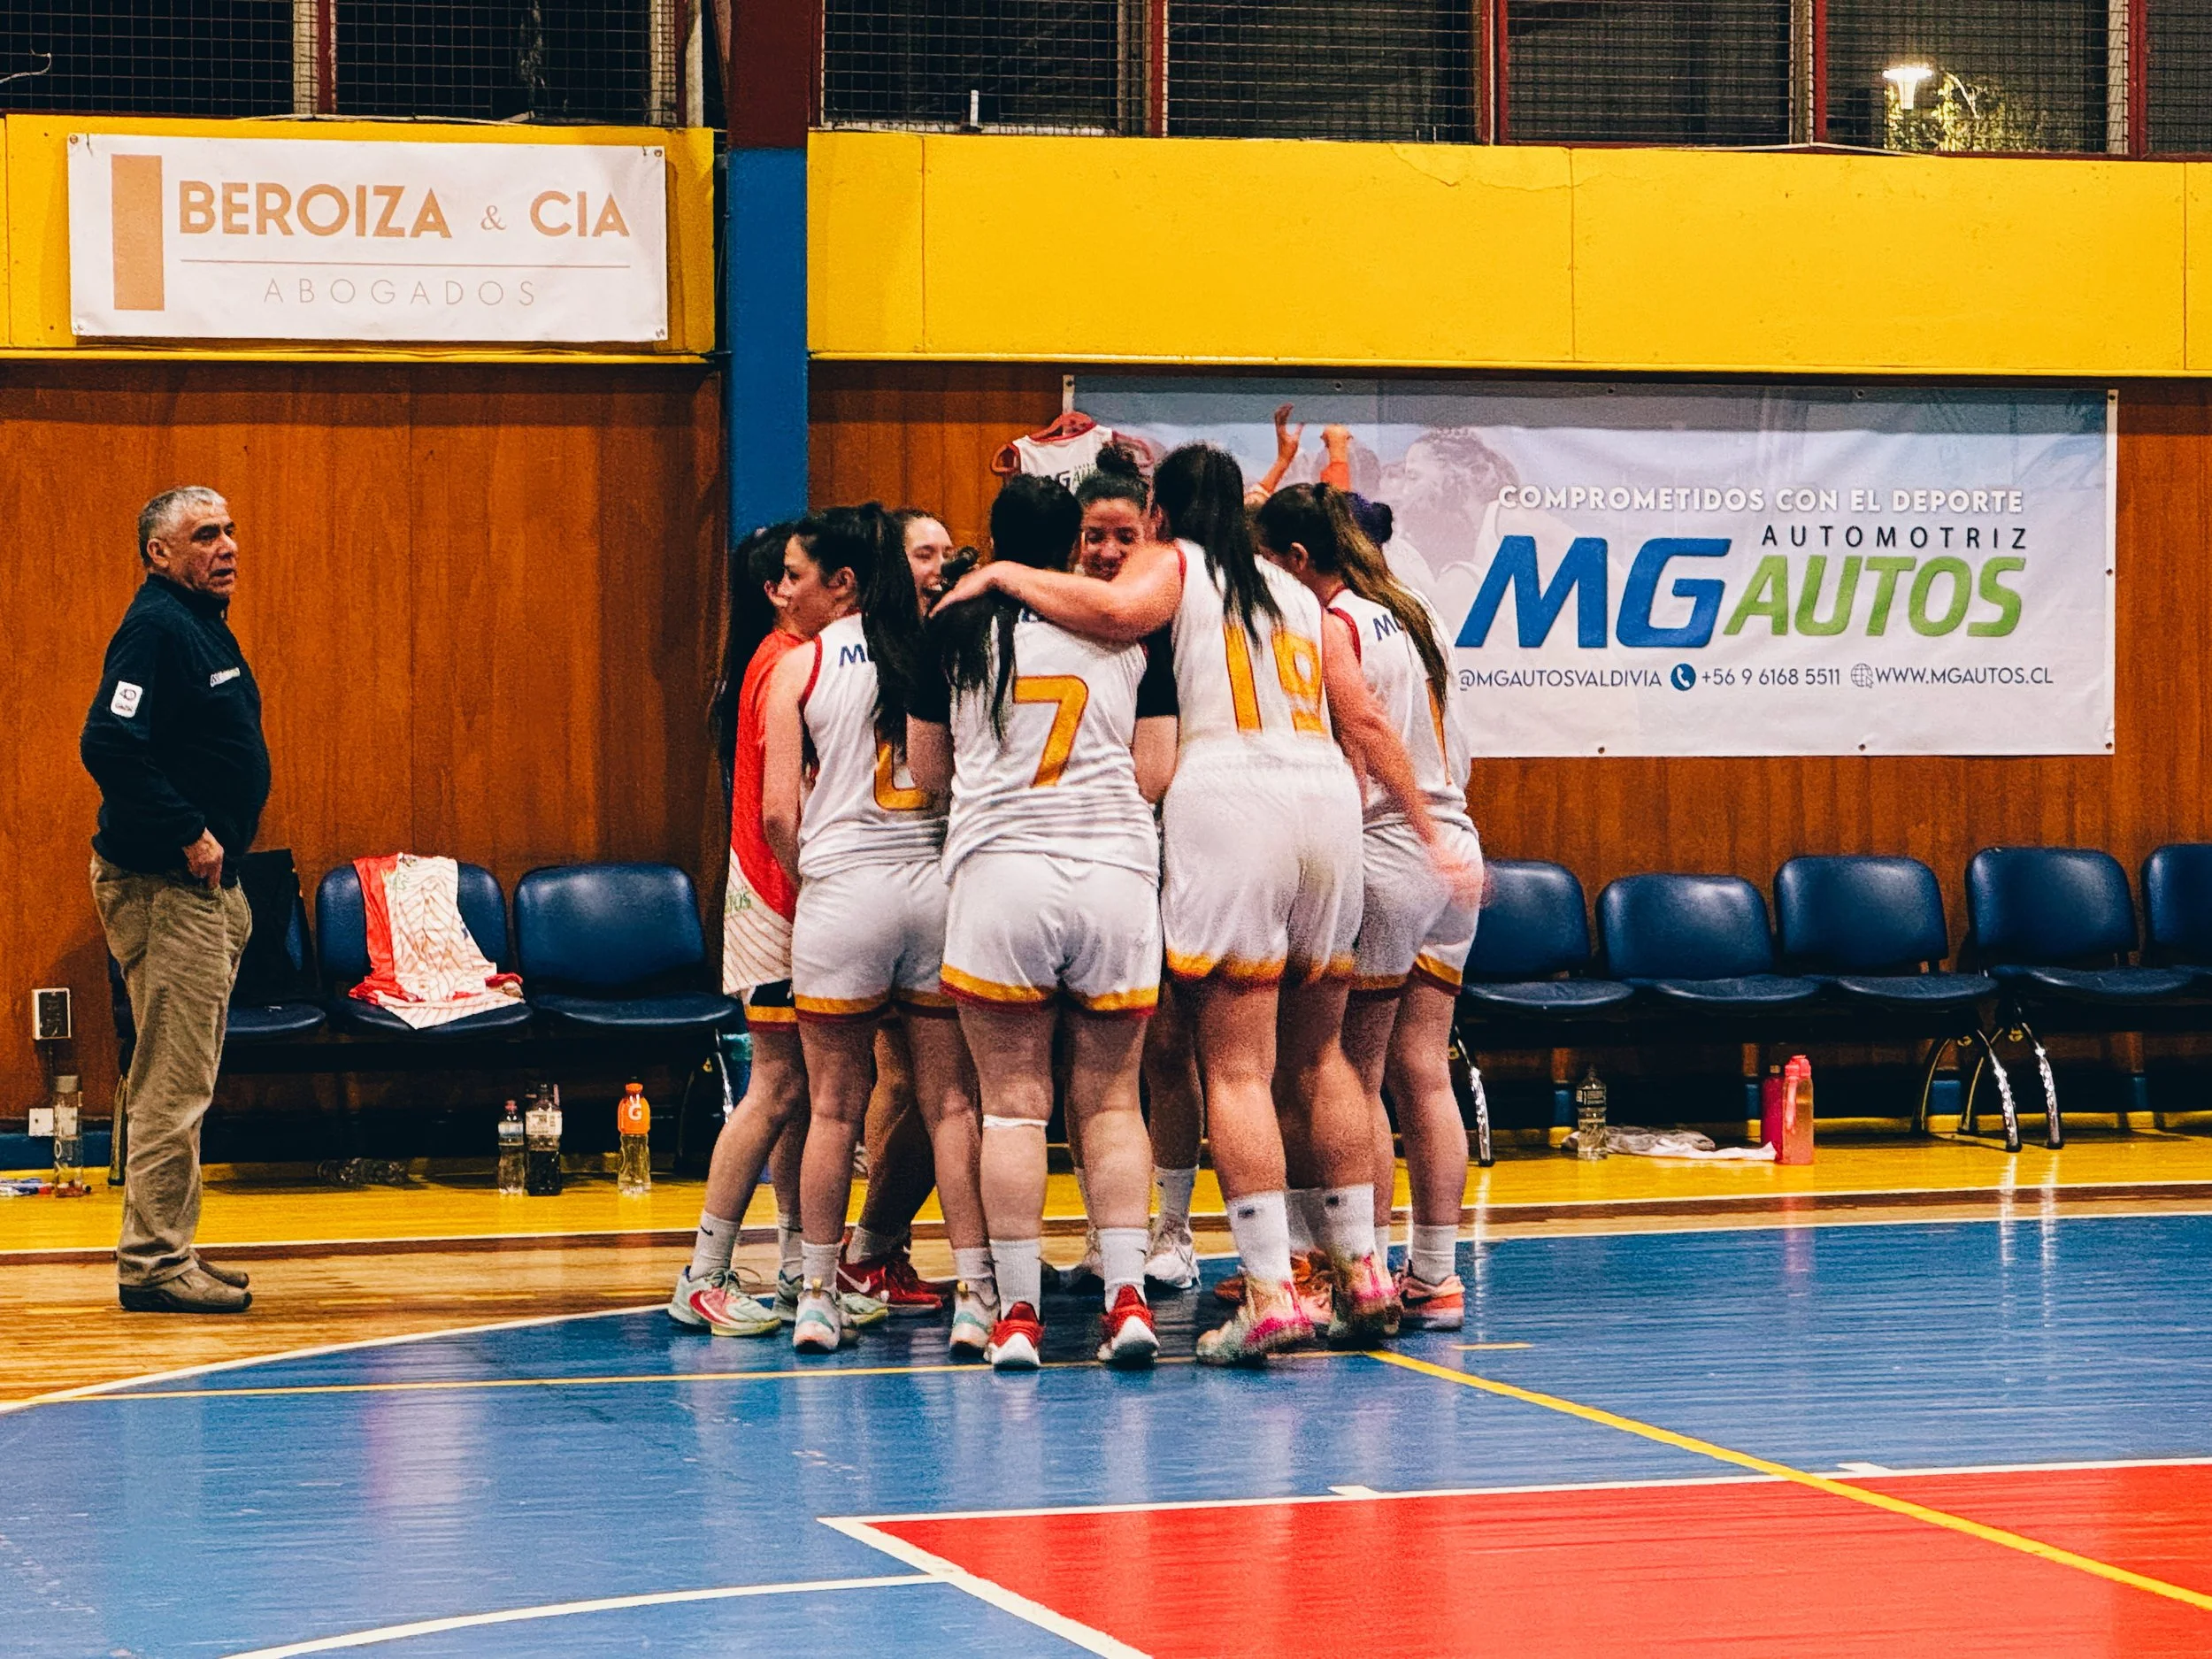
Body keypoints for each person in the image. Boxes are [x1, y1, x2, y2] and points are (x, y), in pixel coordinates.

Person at [937, 444, 1478, 1363]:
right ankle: (1366, 1270)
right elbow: (1369, 721)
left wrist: (999, 571)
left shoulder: (1175, 563)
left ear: (1160, 514)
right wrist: (1428, 832)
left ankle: (1270, 1287)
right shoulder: (1302, 595)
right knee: (1326, 1061)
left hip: (1232, 799)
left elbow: (1111, 610)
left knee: (1234, 1067)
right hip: (1329, 807)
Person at [910, 474, 1178, 1370]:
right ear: (1074, 544)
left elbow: (928, 770)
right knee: (1109, 1102)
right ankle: (1127, 1299)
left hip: (1002, 875)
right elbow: (1156, 768)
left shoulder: (949, 625)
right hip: (1113, 872)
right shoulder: (1129, 628)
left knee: (1014, 1108)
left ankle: (1015, 1313)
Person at [760, 505, 991, 1357]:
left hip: (843, 892)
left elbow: (779, 811)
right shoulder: (935, 648)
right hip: (931, 885)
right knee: (952, 1103)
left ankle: (819, 1292)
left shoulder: (803, 666)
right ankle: (976, 1290)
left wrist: (813, 875)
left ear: (845, 579)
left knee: (831, 1108)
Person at [1255, 483, 1482, 1330]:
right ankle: (1435, 1274)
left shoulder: (1335, 624)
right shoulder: (1415, 612)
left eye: (1271, 562)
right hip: (1454, 840)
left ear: (1300, 560)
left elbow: (1352, 759)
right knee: (1424, 1070)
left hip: (1390, 848)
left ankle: (1361, 1270)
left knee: (1350, 1075)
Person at [672, 524, 886, 1338]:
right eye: (791, 574)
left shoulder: (796, 661)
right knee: (776, 1089)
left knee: (808, 1100)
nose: (799, 587)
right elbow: (780, 810)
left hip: (787, 896)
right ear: (781, 588)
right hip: (776, 899)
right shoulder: (780, 664)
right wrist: (812, 892)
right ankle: (704, 1271)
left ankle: (803, 1269)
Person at [81, 487, 268, 1315]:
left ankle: (171, 1244)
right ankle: (154, 1262)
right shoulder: (157, 627)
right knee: (172, 1081)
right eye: (203, 536)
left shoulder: (197, 623)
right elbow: (108, 742)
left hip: (202, 890)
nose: (226, 545)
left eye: (228, 530)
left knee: (181, 1075)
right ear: (158, 554)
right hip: (166, 886)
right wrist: (190, 829)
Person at [1071, 449, 1203, 1292]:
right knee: (1083, 1068)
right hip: (1078, 868)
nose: (1108, 552)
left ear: (1151, 534)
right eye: (1093, 536)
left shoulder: (1168, 622)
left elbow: (1155, 770)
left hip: (1161, 852)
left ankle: (1177, 1229)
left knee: (1169, 1053)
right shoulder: (1053, 620)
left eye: (1124, 535)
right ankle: (1103, 1231)